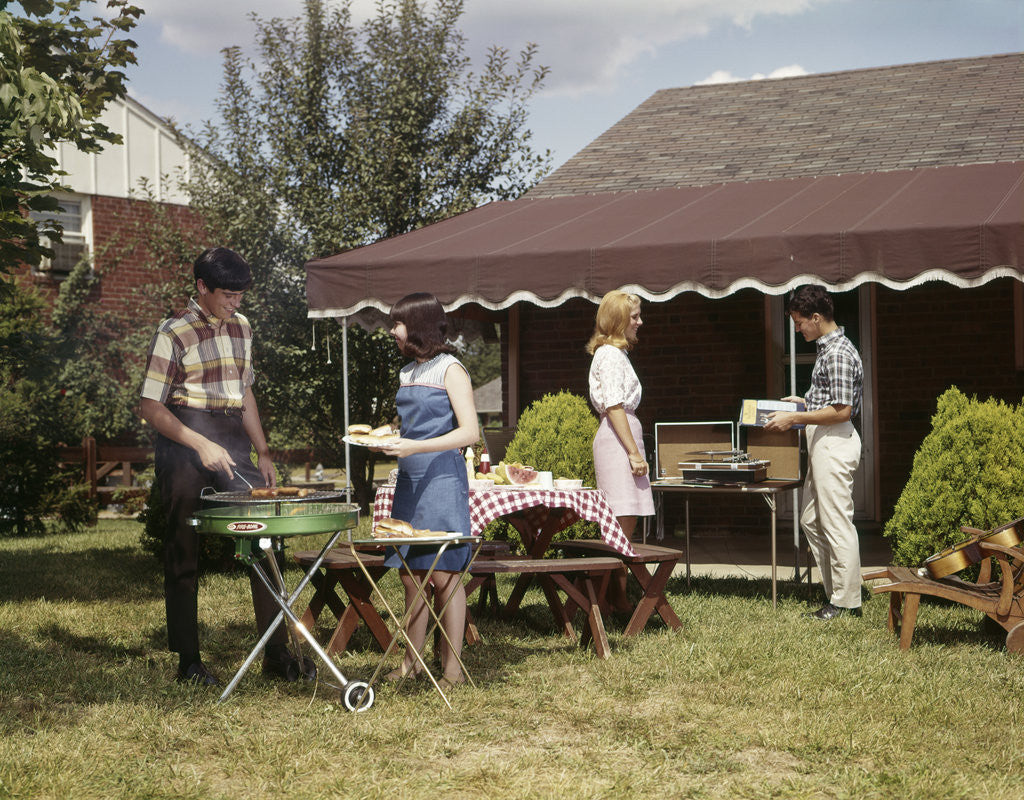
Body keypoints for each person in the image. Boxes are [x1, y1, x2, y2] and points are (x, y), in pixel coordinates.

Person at [139, 247, 304, 685]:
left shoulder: (243, 328)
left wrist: (263, 452)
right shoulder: (173, 332)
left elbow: (244, 392)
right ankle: (189, 661)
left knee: (268, 537)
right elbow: (149, 407)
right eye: (228, 295)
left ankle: (276, 653)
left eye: (240, 296)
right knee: (182, 547)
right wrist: (198, 443)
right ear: (202, 288)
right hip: (183, 439)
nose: (235, 303)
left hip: (231, 437)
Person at [377, 292, 478, 688]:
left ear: (416, 325)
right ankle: (412, 662)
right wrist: (395, 436)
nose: (392, 331)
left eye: (397, 323)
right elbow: (418, 427)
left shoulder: (451, 369)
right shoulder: (408, 372)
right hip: (410, 480)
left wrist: (414, 445)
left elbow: (469, 432)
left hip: (441, 481)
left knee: (445, 575)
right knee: (410, 575)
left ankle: (452, 670)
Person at [764, 285, 864, 620]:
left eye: (798, 321)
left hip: (835, 440)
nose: (796, 328)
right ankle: (840, 589)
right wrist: (804, 404)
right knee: (810, 519)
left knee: (836, 522)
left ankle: (845, 602)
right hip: (823, 438)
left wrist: (795, 417)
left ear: (816, 317)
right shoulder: (828, 349)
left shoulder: (837, 353)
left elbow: (842, 410)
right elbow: (829, 402)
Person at [586, 290, 655, 556]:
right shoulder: (610, 356)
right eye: (634, 317)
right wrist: (634, 454)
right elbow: (614, 406)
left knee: (628, 518)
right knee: (620, 520)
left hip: (622, 439)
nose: (640, 322)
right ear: (619, 321)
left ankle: (618, 589)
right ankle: (610, 591)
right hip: (618, 443)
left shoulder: (617, 354)